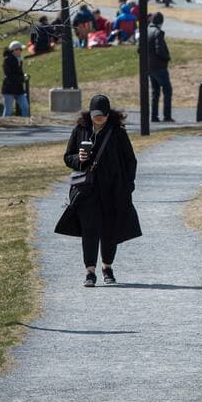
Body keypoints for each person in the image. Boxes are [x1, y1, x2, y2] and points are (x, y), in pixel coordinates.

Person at [56, 94, 141, 287]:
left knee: (109, 230)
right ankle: (90, 271)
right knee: (89, 230)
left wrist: (128, 185)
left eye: (102, 115)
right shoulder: (80, 130)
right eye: (96, 115)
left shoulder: (117, 133)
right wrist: (79, 159)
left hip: (113, 190)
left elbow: (130, 161)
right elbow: (67, 157)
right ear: (90, 113)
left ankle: (107, 267)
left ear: (108, 114)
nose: (99, 118)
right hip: (87, 190)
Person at [148, 12, 173, 122]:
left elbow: (139, 49)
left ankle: (154, 116)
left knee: (155, 91)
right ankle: (166, 116)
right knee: (167, 90)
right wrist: (166, 58)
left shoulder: (146, 31)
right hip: (159, 66)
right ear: (161, 22)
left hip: (149, 66)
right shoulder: (158, 33)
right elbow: (159, 49)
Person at [1, 41, 29, 117]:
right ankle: (4, 125)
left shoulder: (19, 59)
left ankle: (26, 125)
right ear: (14, 50)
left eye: (21, 49)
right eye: (19, 49)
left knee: (25, 107)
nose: (21, 51)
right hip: (9, 89)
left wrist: (21, 78)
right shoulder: (7, 60)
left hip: (19, 88)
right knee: (8, 110)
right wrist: (20, 78)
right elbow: (8, 74)